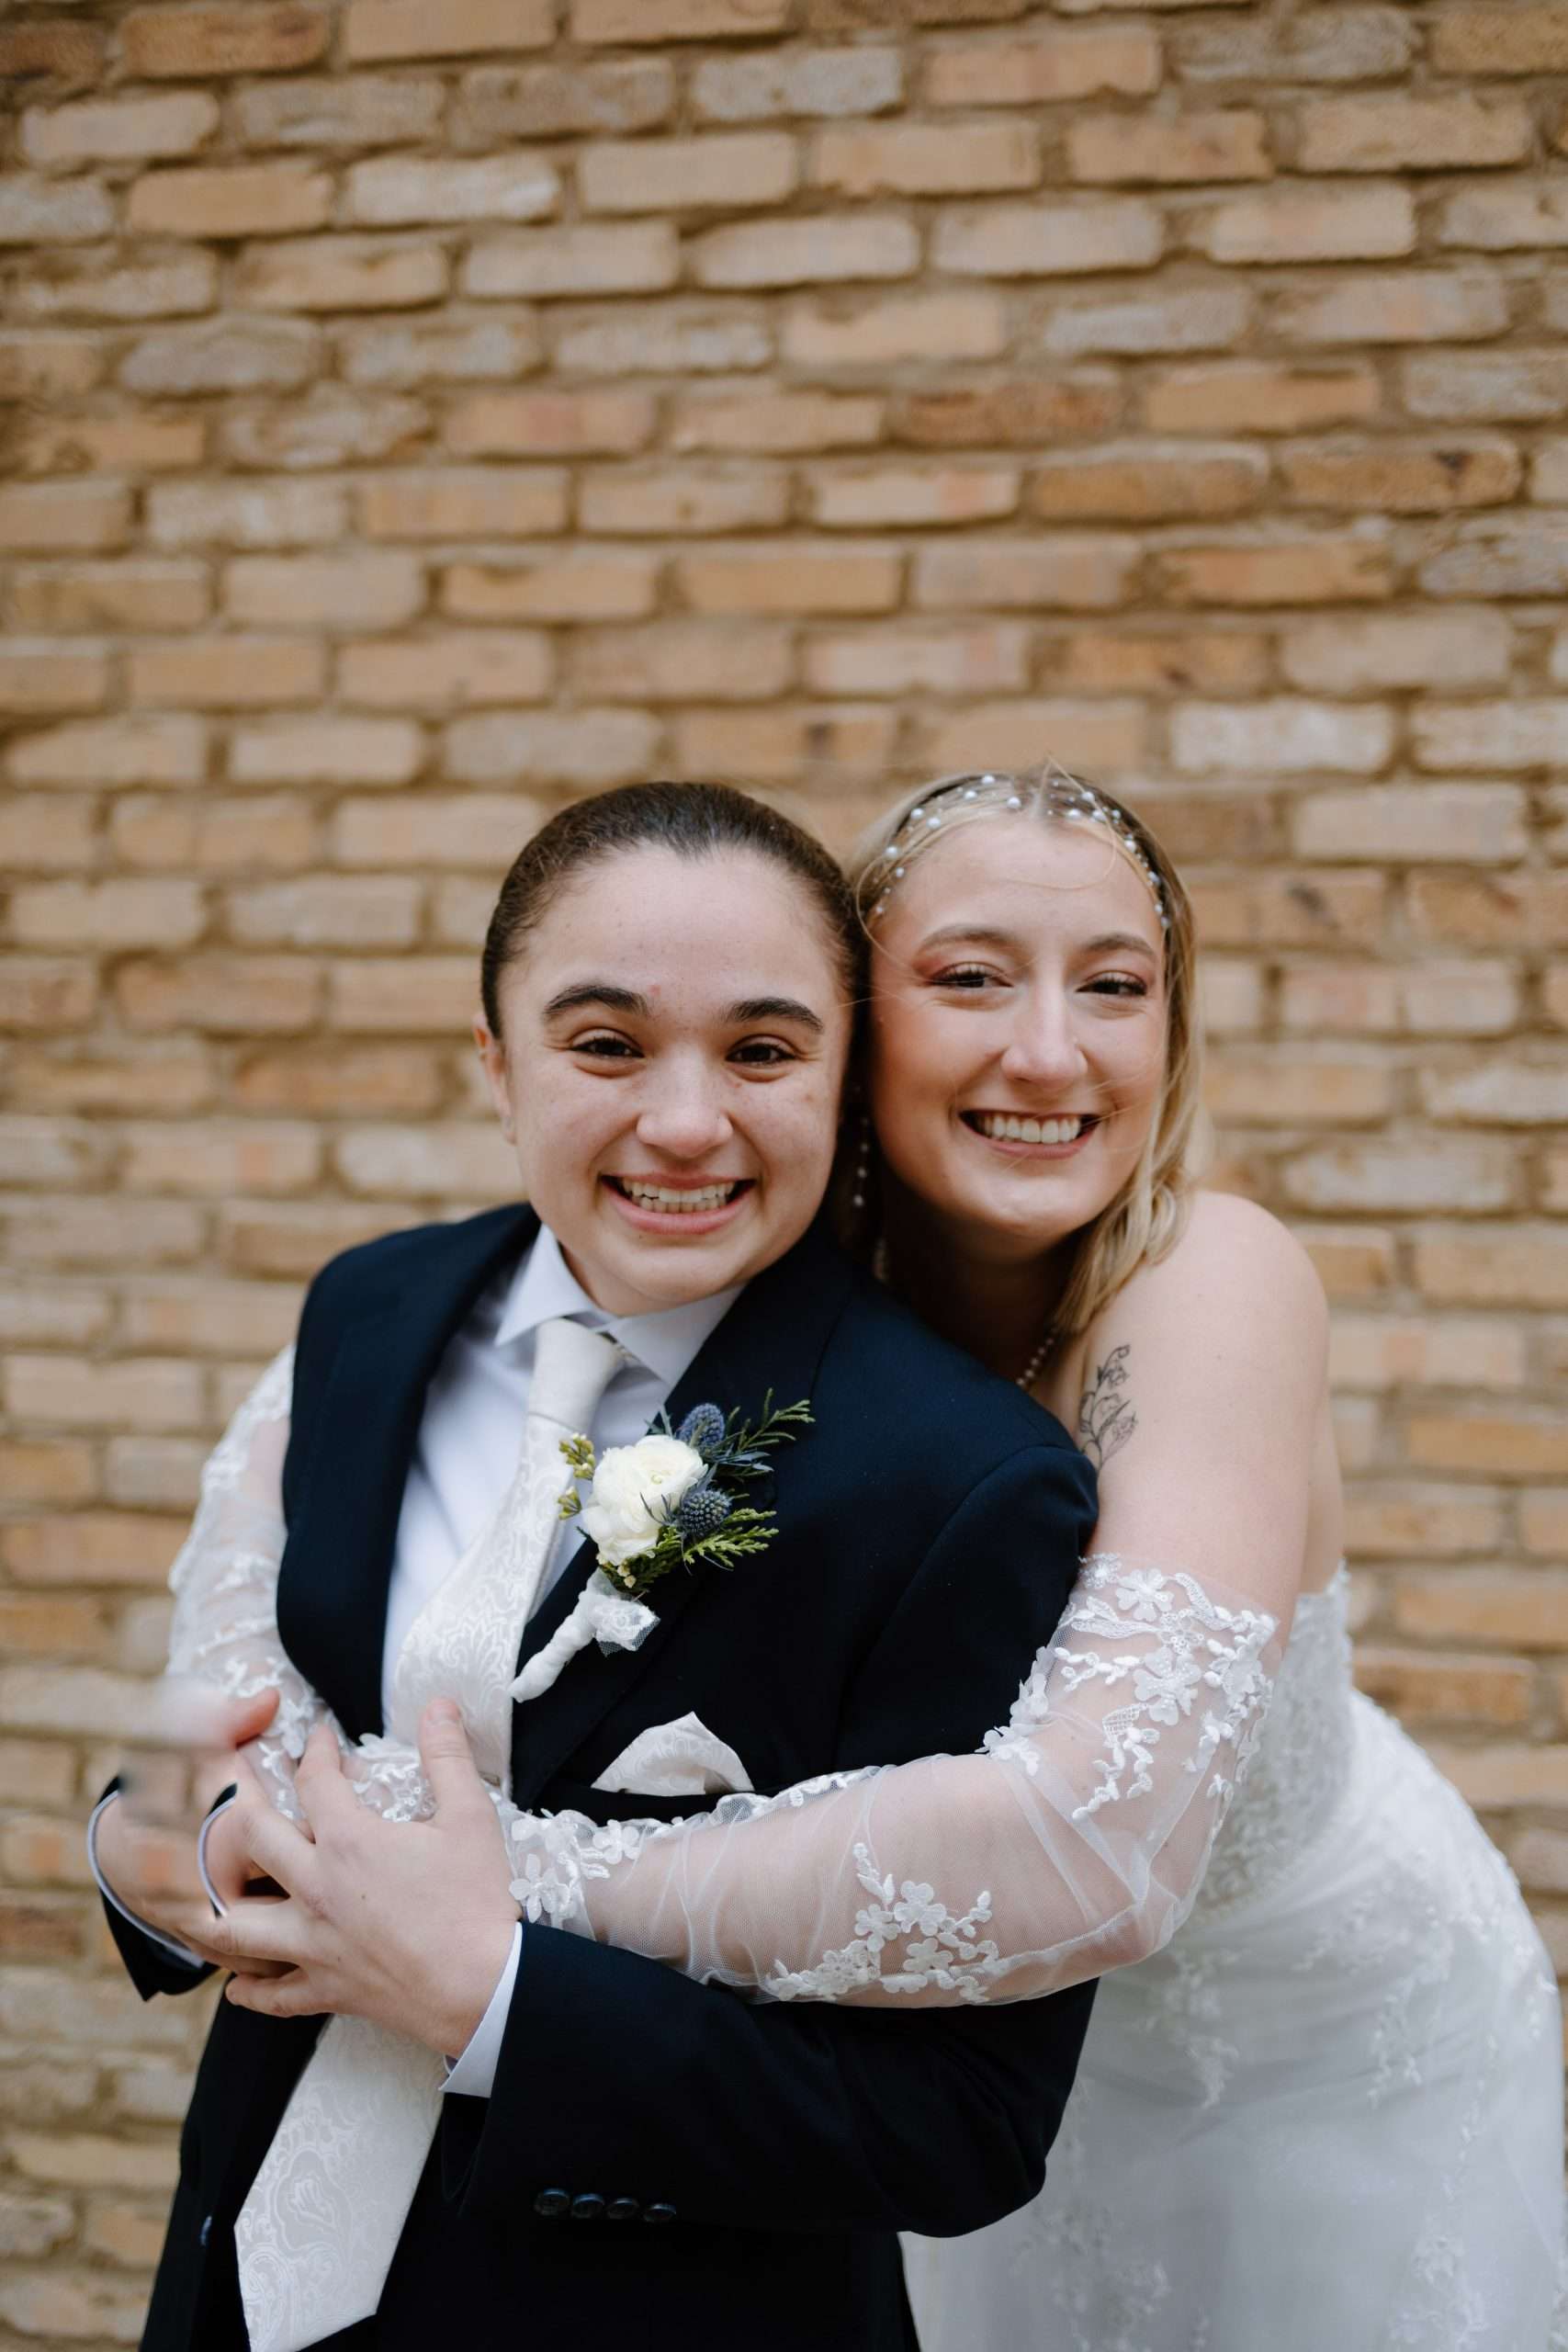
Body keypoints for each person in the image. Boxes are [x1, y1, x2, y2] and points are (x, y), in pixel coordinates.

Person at [335, 763, 1559, 2350]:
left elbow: (1098, 1829)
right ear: (852, 1024)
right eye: (971, 977)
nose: (1049, 1051)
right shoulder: (791, 1296)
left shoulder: (1214, 1284)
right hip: (962, 2056)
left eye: (1115, 986)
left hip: (1307, 2060)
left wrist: (510, 1886)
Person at [90, 781, 1102, 2352]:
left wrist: (491, 1997)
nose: (685, 1122)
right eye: (607, 1044)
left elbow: (967, 2122)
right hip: (231, 2270)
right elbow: (228, 1665)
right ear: (495, 1065)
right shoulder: (369, 1307)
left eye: (762, 1051)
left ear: (843, 1082)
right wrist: (143, 1844)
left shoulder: (967, 1483)